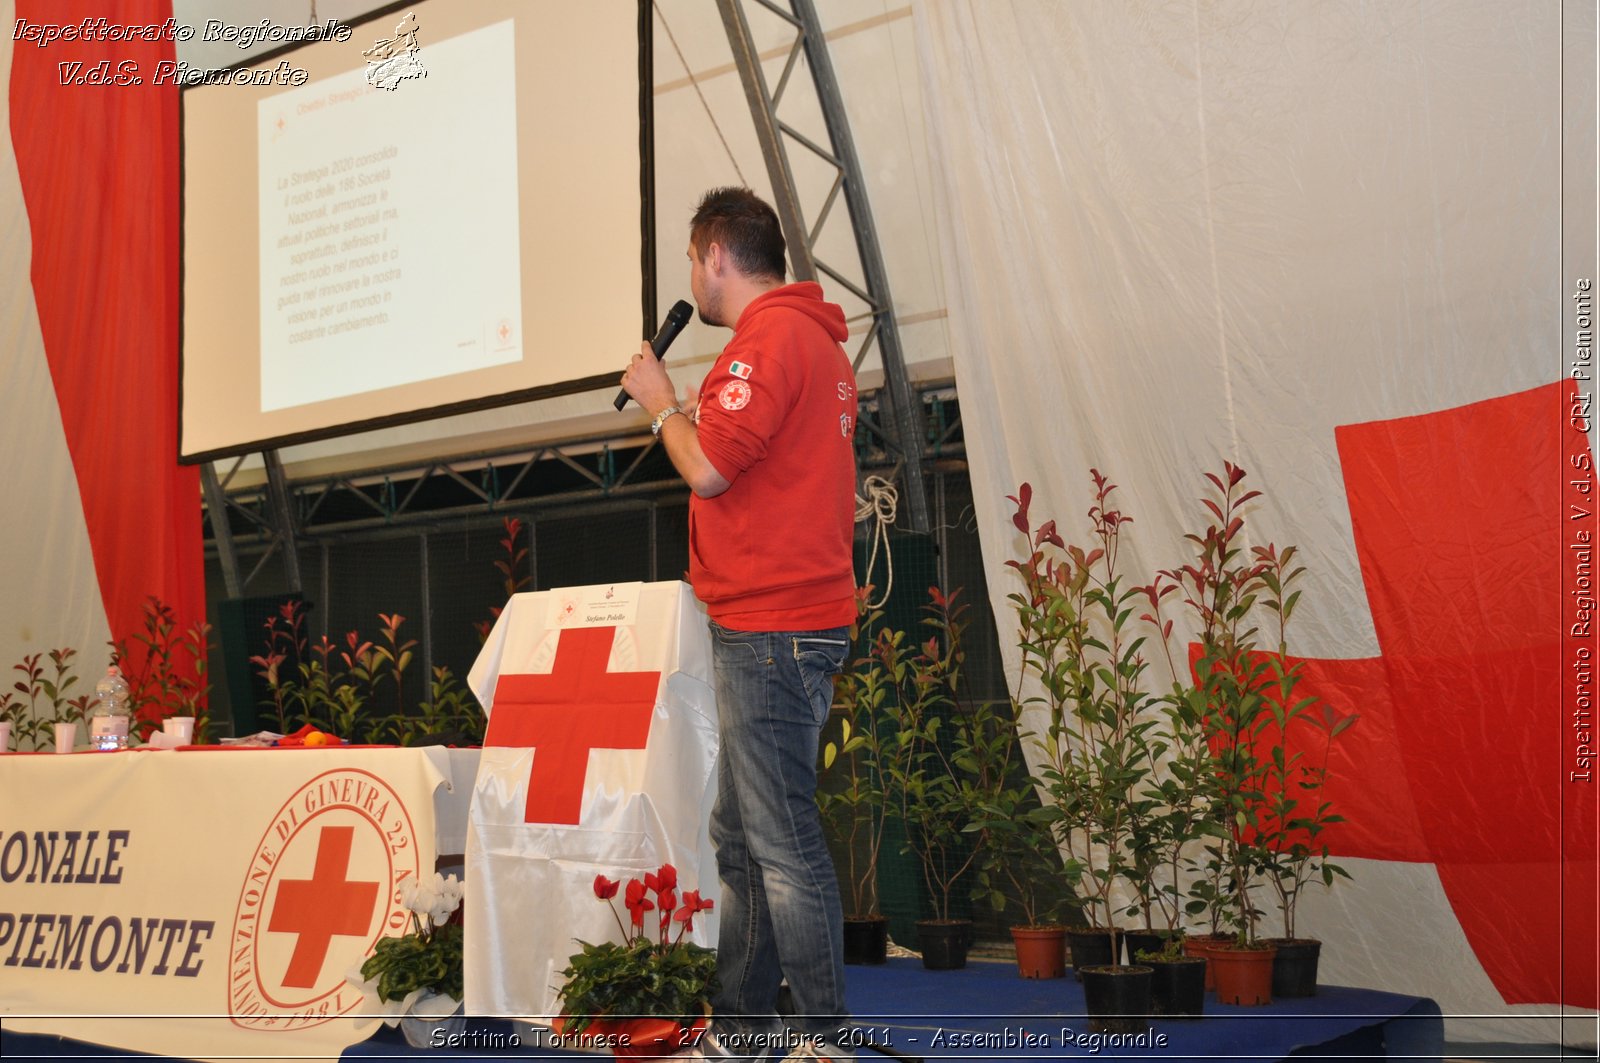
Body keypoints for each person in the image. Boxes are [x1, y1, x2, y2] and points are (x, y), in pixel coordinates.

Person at [619, 187, 858, 1060]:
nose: (691, 276)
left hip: (773, 624)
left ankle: (824, 1038)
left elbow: (711, 467)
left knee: (781, 836)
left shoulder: (771, 341)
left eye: (691, 258)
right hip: (780, 620)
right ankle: (748, 1032)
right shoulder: (815, 342)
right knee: (745, 836)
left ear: (716, 253)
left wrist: (660, 401)